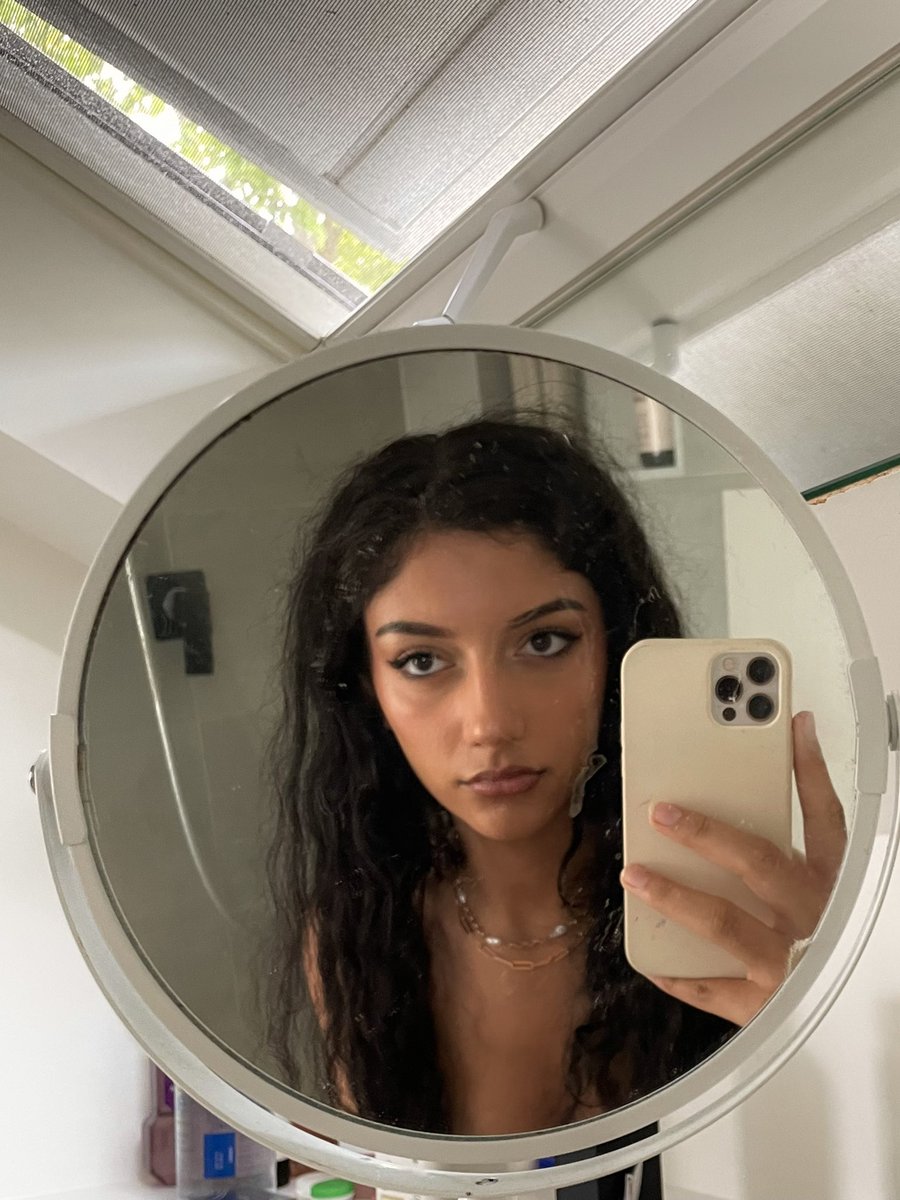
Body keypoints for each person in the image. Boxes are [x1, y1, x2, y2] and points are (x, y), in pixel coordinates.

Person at [265, 413, 845, 1139]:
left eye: (544, 641)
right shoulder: (361, 936)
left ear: (615, 650)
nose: (489, 722)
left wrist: (846, 1008)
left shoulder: (738, 911)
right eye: (421, 660)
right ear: (366, 689)